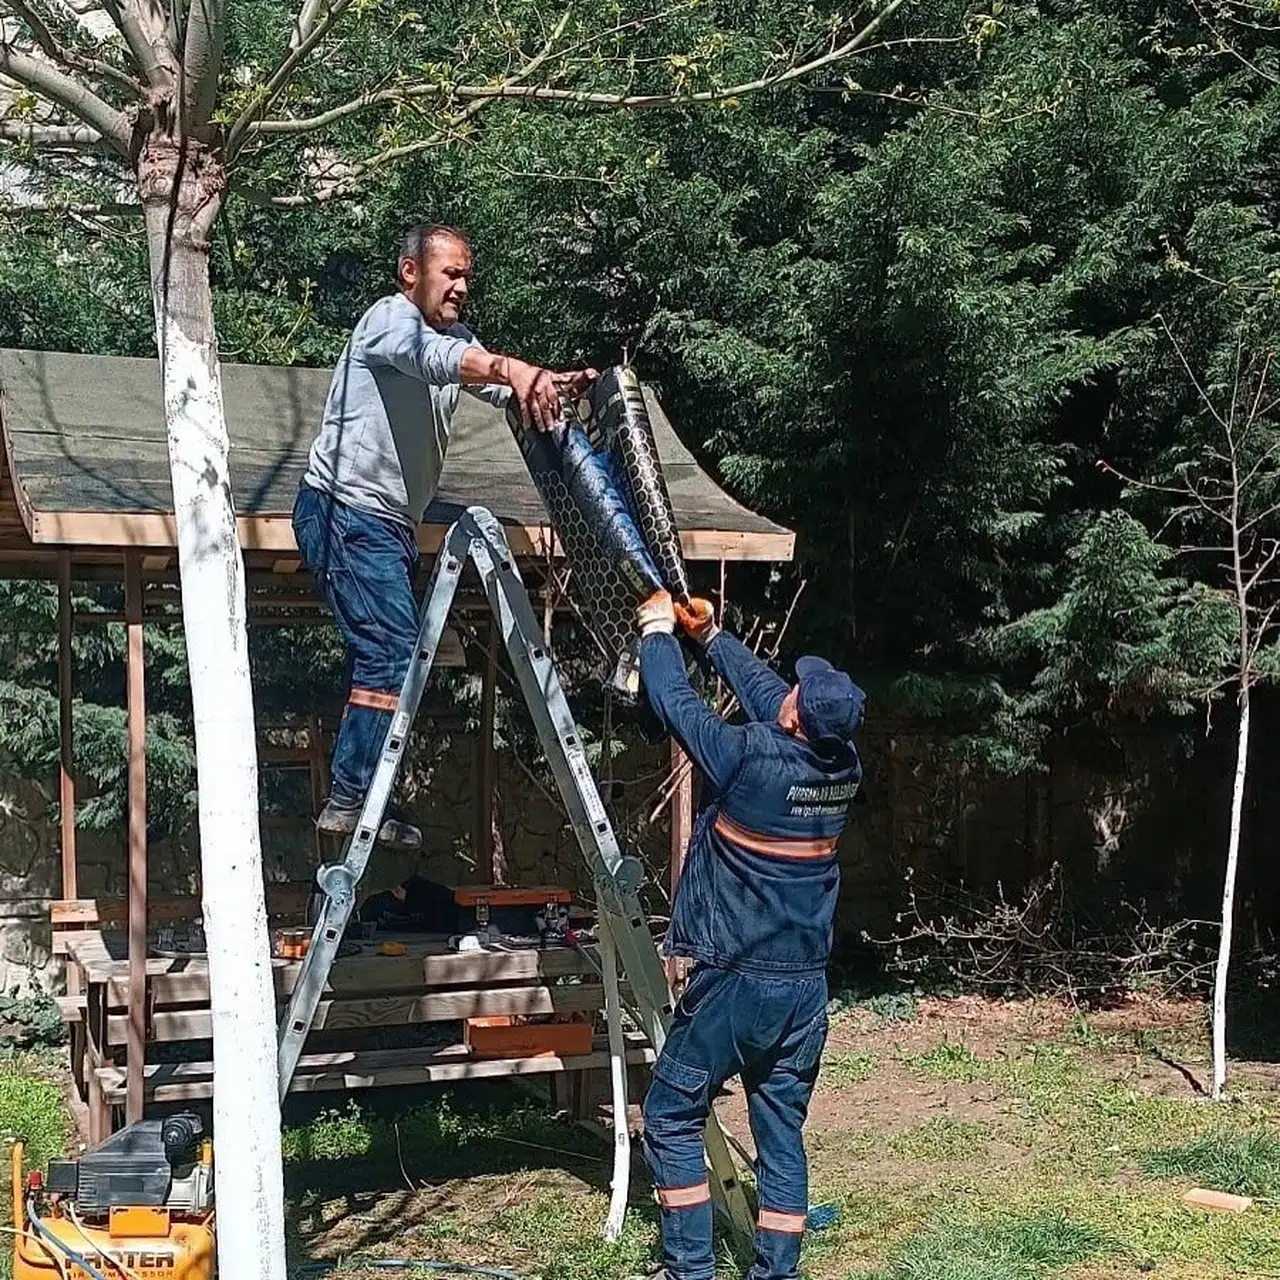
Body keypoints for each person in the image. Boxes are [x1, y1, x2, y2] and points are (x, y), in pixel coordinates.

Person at [293, 224, 597, 850]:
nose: (460, 286)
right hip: (345, 510)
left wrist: (545, 383)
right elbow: (437, 363)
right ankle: (352, 799)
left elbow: (490, 383)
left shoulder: (457, 338)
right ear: (411, 273)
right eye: (450, 273)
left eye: (466, 276)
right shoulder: (388, 321)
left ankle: (365, 799)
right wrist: (513, 368)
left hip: (386, 524)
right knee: (392, 652)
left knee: (394, 656)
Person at [632, 591, 865, 1280]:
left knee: (671, 1114)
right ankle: (776, 1272)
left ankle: (690, 1270)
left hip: (737, 981)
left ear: (795, 717)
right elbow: (770, 696)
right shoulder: (842, 765)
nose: (786, 690)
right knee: (780, 1130)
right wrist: (712, 638)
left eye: (796, 692)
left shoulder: (745, 761)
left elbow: (677, 704)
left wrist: (657, 632)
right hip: (804, 989)